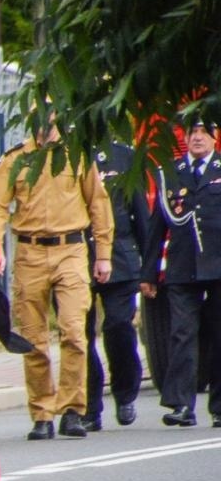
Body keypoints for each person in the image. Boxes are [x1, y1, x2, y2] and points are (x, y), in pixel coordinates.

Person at [0, 117, 114, 438]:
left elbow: (98, 202)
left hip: (70, 249)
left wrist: (103, 254)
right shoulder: (16, 159)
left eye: (51, 118)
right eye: (39, 120)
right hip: (29, 252)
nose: (45, 125)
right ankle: (42, 413)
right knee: (33, 339)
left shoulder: (76, 155)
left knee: (73, 331)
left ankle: (72, 409)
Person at [141, 118, 221, 427]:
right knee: (181, 333)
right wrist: (148, 274)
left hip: (217, 266)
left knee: (218, 335)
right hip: (182, 266)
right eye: (193, 133)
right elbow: (157, 226)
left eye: (204, 132)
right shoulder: (170, 173)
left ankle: (218, 407)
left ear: (215, 139)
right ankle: (180, 404)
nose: (198, 138)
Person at [86, 142, 149, 429]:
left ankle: (125, 394)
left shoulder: (123, 155)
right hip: (75, 254)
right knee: (79, 335)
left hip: (120, 256)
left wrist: (148, 267)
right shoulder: (65, 154)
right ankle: (89, 406)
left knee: (118, 327)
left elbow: (138, 210)